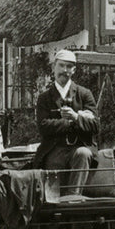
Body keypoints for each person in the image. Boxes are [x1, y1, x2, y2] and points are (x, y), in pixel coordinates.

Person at [32, 49, 100, 197]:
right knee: (52, 167)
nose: (64, 70)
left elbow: (96, 126)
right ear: (53, 67)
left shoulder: (84, 94)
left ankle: (73, 198)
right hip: (54, 149)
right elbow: (43, 127)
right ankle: (53, 201)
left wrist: (75, 117)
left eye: (69, 67)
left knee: (84, 153)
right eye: (61, 65)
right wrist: (71, 123)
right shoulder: (45, 98)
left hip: (79, 147)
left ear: (74, 70)